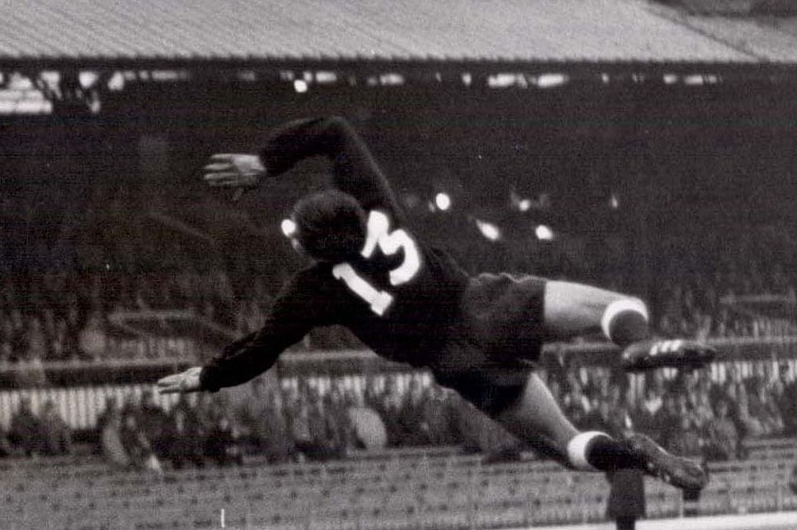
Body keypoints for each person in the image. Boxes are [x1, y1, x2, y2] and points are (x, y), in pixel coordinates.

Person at [157, 116, 716, 497]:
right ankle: (638, 343)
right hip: (483, 304)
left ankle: (634, 453)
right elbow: (334, 130)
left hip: (456, 364)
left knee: (564, 443)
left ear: (306, 248)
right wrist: (267, 160)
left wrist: (208, 376)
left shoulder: (313, 290)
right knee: (613, 307)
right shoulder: (375, 208)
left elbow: (260, 349)